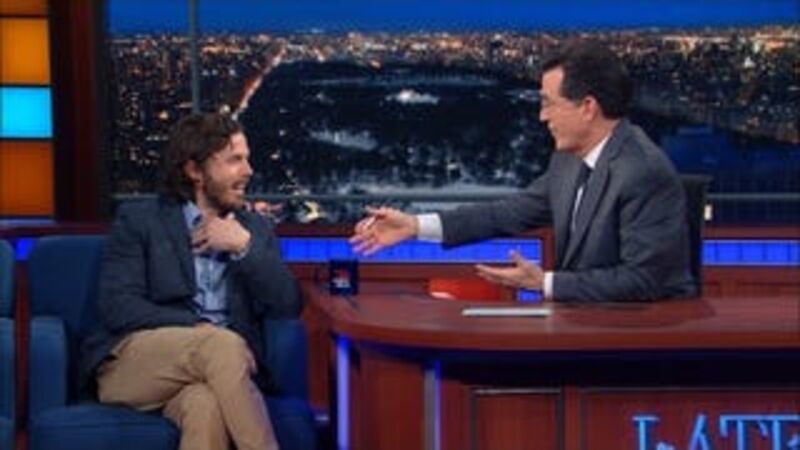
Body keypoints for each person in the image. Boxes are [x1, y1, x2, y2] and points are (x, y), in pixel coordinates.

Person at [351, 40, 696, 302]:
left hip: (641, 339)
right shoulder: (569, 160)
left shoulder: (641, 170)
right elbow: (508, 213)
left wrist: (543, 283)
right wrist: (415, 226)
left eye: (549, 104)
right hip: (584, 325)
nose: (542, 116)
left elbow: (643, 280)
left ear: (588, 107)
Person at [80, 113, 302, 450]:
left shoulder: (253, 230)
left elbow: (287, 304)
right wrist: (198, 328)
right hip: (137, 365)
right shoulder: (141, 221)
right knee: (221, 344)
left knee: (204, 406)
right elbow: (118, 306)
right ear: (195, 171)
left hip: (218, 374)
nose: (248, 170)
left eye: (247, 159)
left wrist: (242, 247)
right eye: (234, 160)